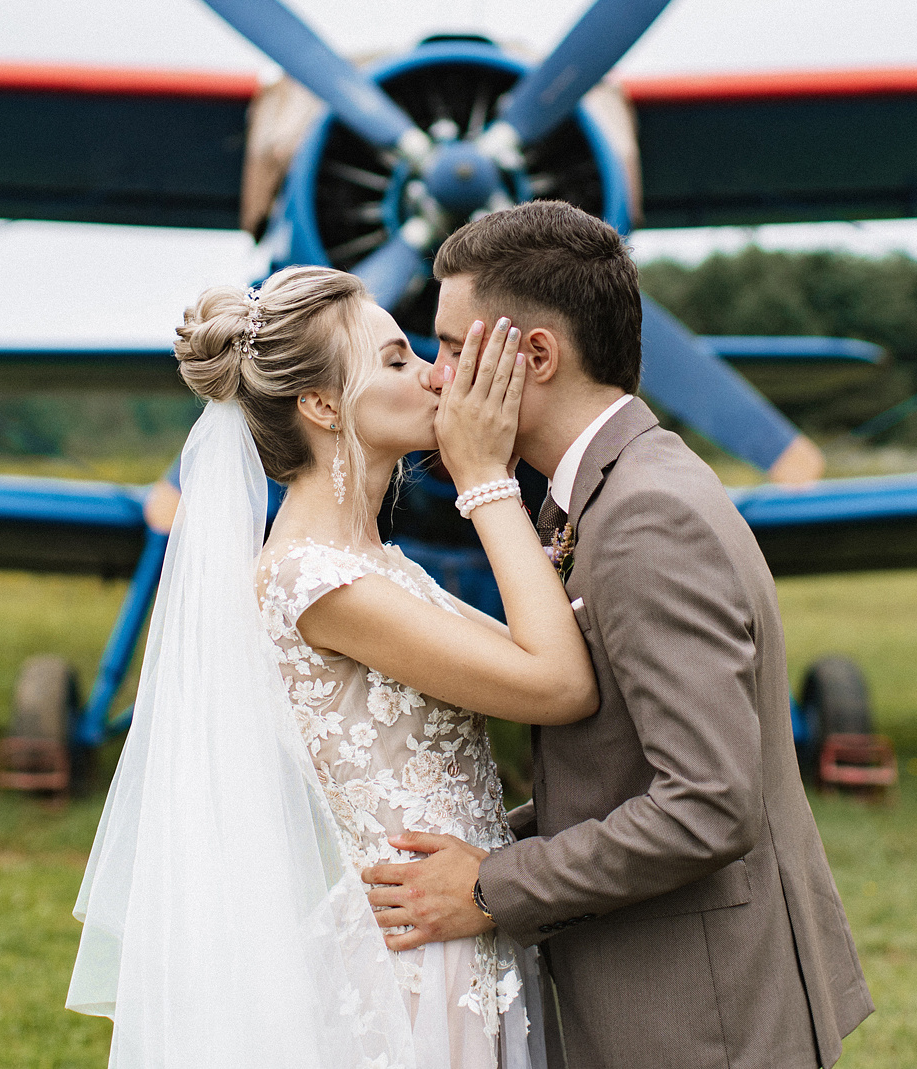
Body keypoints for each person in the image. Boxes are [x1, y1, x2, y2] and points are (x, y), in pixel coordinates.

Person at [362, 201, 875, 1068]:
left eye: (454, 347)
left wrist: (490, 887)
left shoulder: (644, 516)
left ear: (534, 356)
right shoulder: (609, 487)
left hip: (701, 1022)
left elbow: (710, 804)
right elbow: (621, 763)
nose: (438, 377)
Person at [68, 263, 593, 1068]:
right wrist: (486, 479)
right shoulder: (318, 582)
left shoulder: (380, 564)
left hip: (461, 923)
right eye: (394, 361)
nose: (433, 373)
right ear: (319, 404)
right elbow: (557, 683)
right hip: (425, 967)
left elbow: (547, 647)